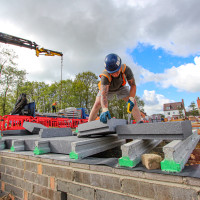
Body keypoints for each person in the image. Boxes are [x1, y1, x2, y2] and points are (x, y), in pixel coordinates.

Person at [88, 53, 142, 123]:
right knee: (97, 103)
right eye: (112, 73)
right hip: (108, 89)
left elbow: (133, 85)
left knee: (133, 102)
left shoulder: (126, 69)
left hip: (120, 87)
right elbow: (104, 95)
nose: (115, 74)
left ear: (119, 66)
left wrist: (131, 99)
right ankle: (88, 124)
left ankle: (139, 123)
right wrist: (105, 109)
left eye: (117, 71)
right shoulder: (105, 76)